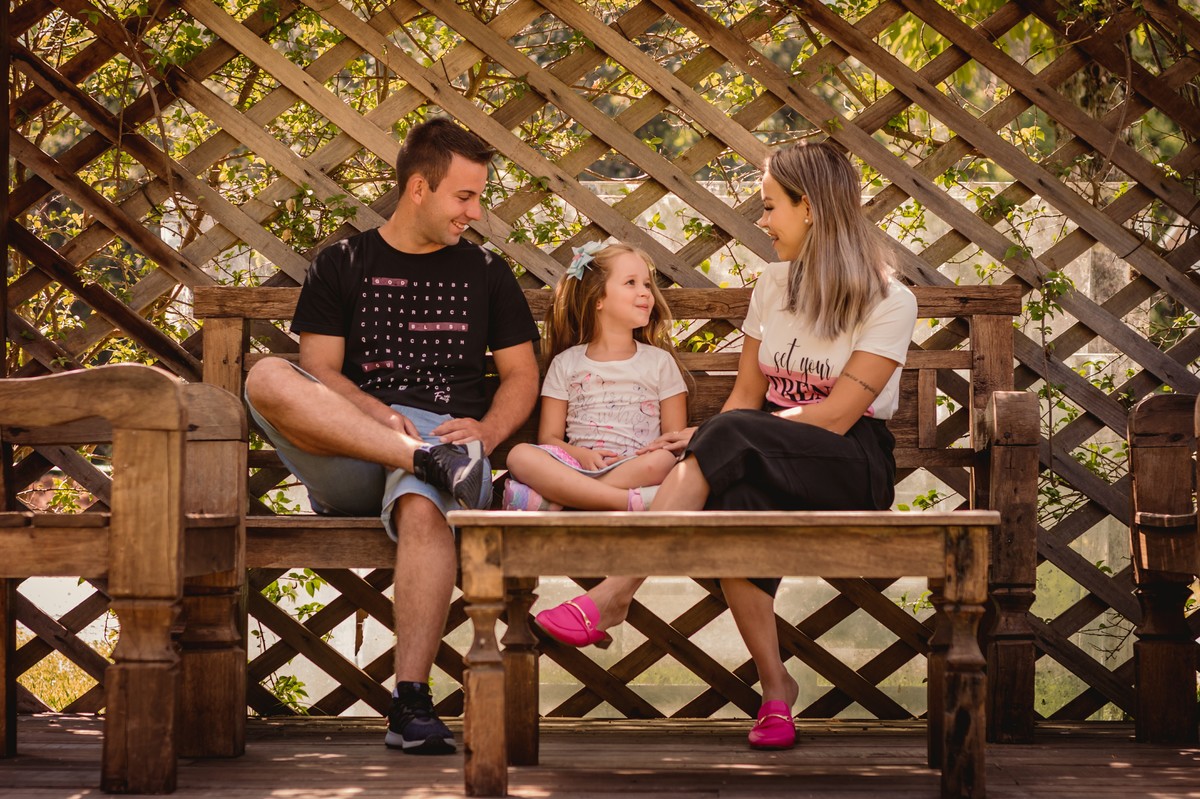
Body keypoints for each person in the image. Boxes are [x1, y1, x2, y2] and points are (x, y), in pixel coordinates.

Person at [532, 141, 918, 751]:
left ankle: (613, 594)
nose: (762, 222)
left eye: (770, 207)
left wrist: (727, 433)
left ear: (810, 207)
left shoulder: (889, 299)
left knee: (732, 439)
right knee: (734, 487)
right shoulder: (773, 285)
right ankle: (775, 692)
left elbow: (841, 415)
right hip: (765, 449)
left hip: (848, 462)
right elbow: (745, 395)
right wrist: (714, 437)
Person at [243, 118, 540, 755]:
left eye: (479, 196)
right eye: (464, 196)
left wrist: (485, 434)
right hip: (356, 443)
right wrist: (377, 417)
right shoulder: (342, 262)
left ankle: (409, 702)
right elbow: (317, 370)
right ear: (417, 189)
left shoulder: (486, 273)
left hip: (451, 443)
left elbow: (522, 375)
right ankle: (421, 461)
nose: (475, 212)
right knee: (267, 374)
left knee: (421, 499)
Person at [501, 242, 689, 523]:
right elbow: (548, 438)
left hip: (634, 468)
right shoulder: (566, 363)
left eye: (647, 285)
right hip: (575, 465)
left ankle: (562, 500)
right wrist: (579, 455)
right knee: (520, 456)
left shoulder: (660, 362)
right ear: (597, 299)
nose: (645, 293)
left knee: (663, 461)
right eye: (631, 283)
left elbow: (673, 441)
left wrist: (651, 456)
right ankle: (623, 502)